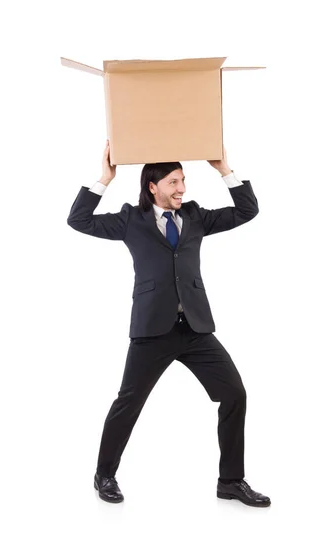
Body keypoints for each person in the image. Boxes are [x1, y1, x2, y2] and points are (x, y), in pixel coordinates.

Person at [67, 142, 270, 507]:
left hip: (194, 328)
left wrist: (224, 169)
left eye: (183, 180)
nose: (182, 189)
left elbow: (247, 210)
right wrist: (105, 178)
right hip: (151, 331)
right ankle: (104, 475)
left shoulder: (195, 216)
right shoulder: (130, 220)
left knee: (235, 394)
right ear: (153, 186)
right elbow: (78, 220)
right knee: (128, 403)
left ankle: (231, 481)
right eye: (174, 182)